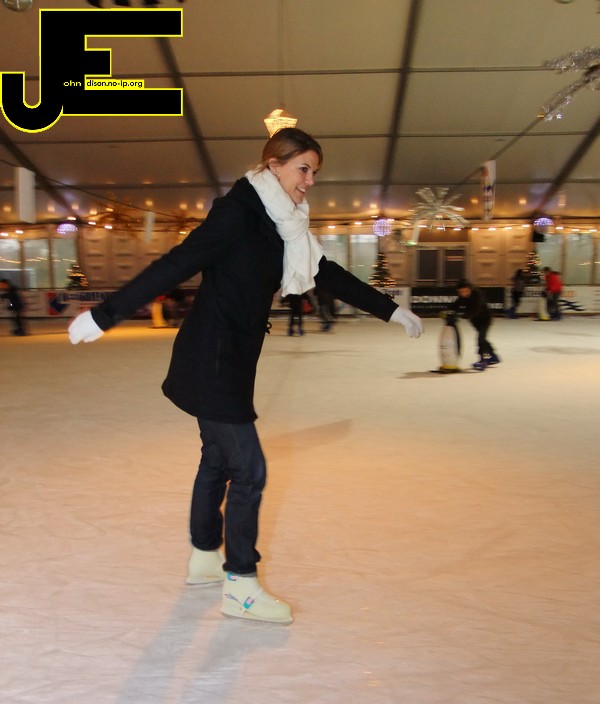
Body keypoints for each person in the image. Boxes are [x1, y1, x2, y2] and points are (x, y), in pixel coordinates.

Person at [67, 127, 424, 625]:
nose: (310, 181)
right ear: (274, 164)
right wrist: (106, 315)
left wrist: (391, 310)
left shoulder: (287, 225)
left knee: (217, 459)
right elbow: (179, 262)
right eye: (303, 169)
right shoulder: (239, 212)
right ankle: (240, 586)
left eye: (315, 172)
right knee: (249, 469)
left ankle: (203, 557)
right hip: (211, 358)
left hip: (229, 358)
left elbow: (326, 273)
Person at [452, 278, 500, 371]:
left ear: (470, 289)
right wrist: (449, 311)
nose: (464, 293)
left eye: (466, 291)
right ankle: (493, 356)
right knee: (483, 338)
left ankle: (482, 360)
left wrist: (464, 315)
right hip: (475, 321)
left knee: (481, 338)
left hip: (485, 319)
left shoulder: (478, 295)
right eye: (461, 292)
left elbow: (477, 309)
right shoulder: (462, 297)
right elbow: (456, 305)